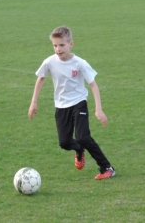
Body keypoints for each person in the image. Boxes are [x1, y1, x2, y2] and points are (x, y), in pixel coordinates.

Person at [28, 26, 115, 180]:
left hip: (79, 102)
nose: (58, 49)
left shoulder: (80, 63)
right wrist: (33, 102)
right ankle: (79, 149)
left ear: (71, 44)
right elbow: (40, 78)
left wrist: (98, 109)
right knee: (64, 142)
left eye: (62, 45)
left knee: (83, 136)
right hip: (61, 106)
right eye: (55, 45)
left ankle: (106, 167)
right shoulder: (49, 62)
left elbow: (93, 85)